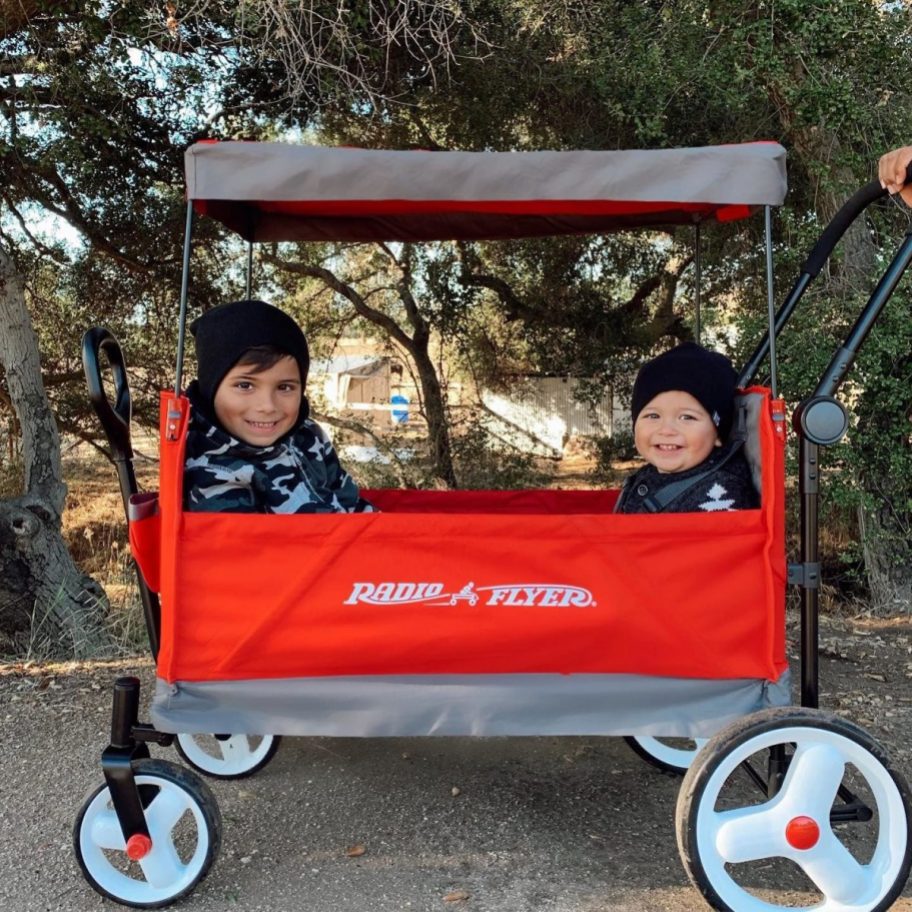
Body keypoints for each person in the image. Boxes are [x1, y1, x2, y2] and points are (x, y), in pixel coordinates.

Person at [183, 299, 374, 513]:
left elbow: (353, 504)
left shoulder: (310, 437)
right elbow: (254, 546)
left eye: (284, 387)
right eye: (245, 385)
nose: (267, 406)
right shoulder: (212, 473)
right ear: (211, 389)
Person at [614, 342, 758, 514]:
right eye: (653, 416)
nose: (666, 430)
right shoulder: (648, 476)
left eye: (687, 417)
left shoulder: (720, 493)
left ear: (718, 434)